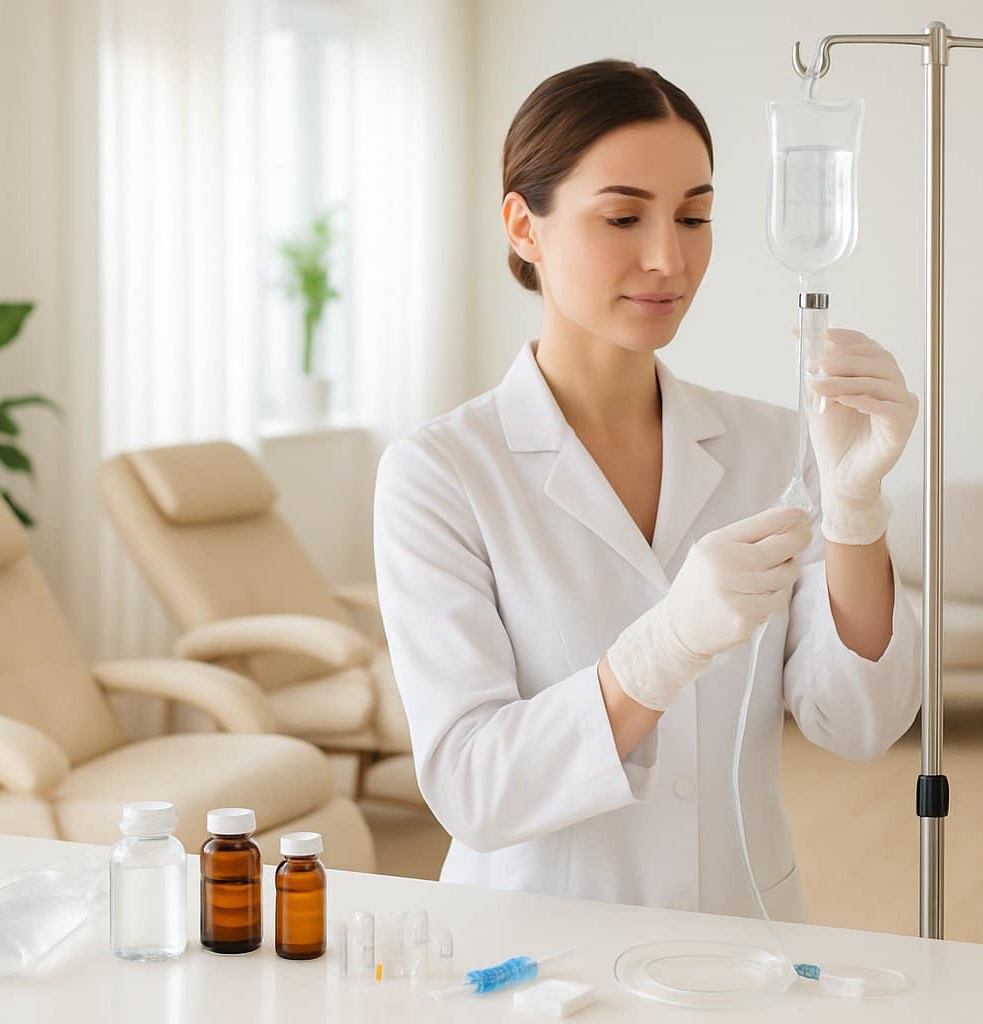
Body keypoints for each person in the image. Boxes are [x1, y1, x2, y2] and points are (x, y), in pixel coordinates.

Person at [372, 59, 921, 921]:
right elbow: (472, 788)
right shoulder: (441, 473)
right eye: (624, 216)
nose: (669, 257)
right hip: (532, 949)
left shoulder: (776, 442)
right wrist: (660, 651)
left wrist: (855, 511)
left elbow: (858, 723)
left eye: (694, 216)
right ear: (524, 226)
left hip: (740, 937)